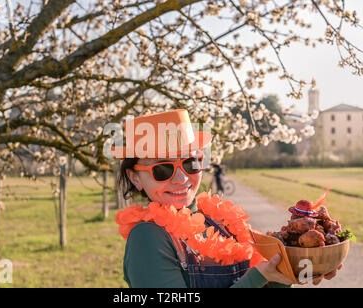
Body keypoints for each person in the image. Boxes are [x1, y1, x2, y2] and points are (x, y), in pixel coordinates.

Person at [112, 109, 340, 288]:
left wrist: (292, 271)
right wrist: (257, 278)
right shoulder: (148, 238)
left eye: (190, 162)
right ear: (135, 178)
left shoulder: (217, 221)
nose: (181, 178)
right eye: (162, 169)